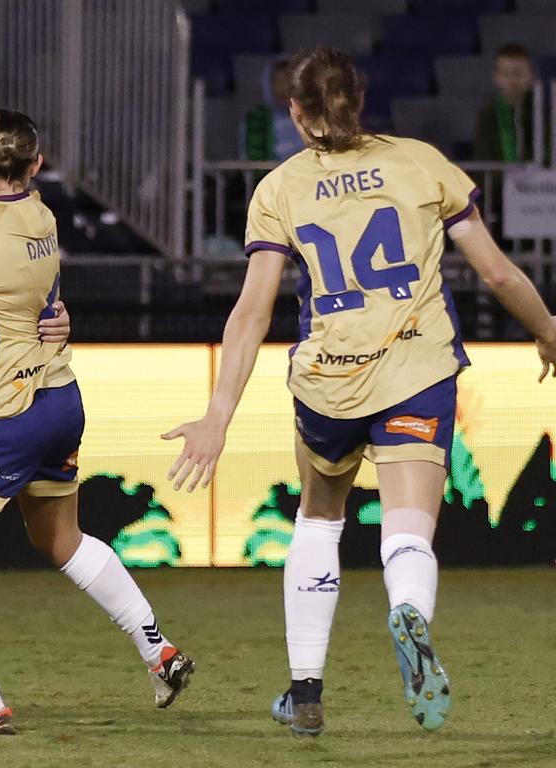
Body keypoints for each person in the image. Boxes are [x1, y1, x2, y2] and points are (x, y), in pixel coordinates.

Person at [163, 47, 556, 738]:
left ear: (297, 110)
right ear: (361, 100)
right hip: (416, 369)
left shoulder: (280, 188)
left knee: (319, 519)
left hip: (328, 383)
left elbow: (252, 311)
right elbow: (496, 274)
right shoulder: (422, 162)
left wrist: (217, 414)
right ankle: (409, 608)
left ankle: (305, 692)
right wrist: (549, 331)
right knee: (409, 530)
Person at [0, 109, 194, 737]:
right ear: (35, 165)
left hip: (3, 414)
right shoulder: (44, 215)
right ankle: (158, 651)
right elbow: (39, 302)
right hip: (60, 399)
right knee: (61, 541)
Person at [473, 43, 544, 163]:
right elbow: (483, 158)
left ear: (531, 76)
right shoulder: (486, 114)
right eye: (506, 74)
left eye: (518, 74)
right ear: (496, 77)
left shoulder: (543, 112)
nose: (512, 81)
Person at [239, 58, 305, 164]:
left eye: (288, 79)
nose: (284, 87)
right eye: (278, 81)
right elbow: (252, 160)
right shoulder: (257, 119)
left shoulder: (313, 114)